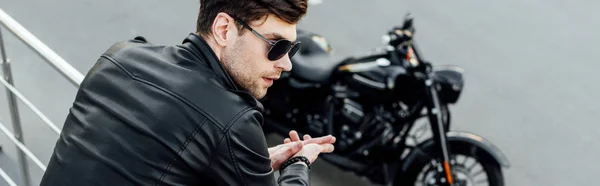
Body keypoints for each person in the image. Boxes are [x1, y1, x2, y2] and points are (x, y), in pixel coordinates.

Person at [39, 0, 336, 185]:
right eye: (277, 46)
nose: (286, 64)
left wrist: (253, 162)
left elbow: (144, 161)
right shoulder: (233, 119)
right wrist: (298, 165)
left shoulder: (120, 56)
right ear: (224, 29)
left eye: (292, 49)